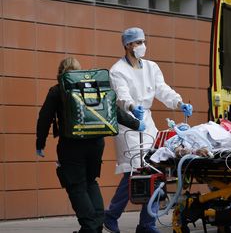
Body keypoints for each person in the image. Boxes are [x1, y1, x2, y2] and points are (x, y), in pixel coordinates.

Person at [35, 57, 145, 233]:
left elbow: (44, 118)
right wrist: (136, 124)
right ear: (80, 71)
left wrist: (40, 143)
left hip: (71, 145)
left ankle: (90, 227)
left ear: (60, 73)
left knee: (76, 185)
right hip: (96, 144)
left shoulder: (57, 90)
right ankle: (97, 222)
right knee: (91, 182)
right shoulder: (93, 88)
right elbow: (114, 111)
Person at [104, 27, 193, 233]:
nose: (142, 46)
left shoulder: (151, 67)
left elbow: (162, 89)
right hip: (129, 124)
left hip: (148, 123)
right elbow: (122, 95)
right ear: (127, 45)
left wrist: (178, 103)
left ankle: (146, 223)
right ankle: (111, 215)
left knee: (155, 170)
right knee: (135, 172)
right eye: (138, 42)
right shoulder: (117, 70)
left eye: (143, 41)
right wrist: (132, 108)